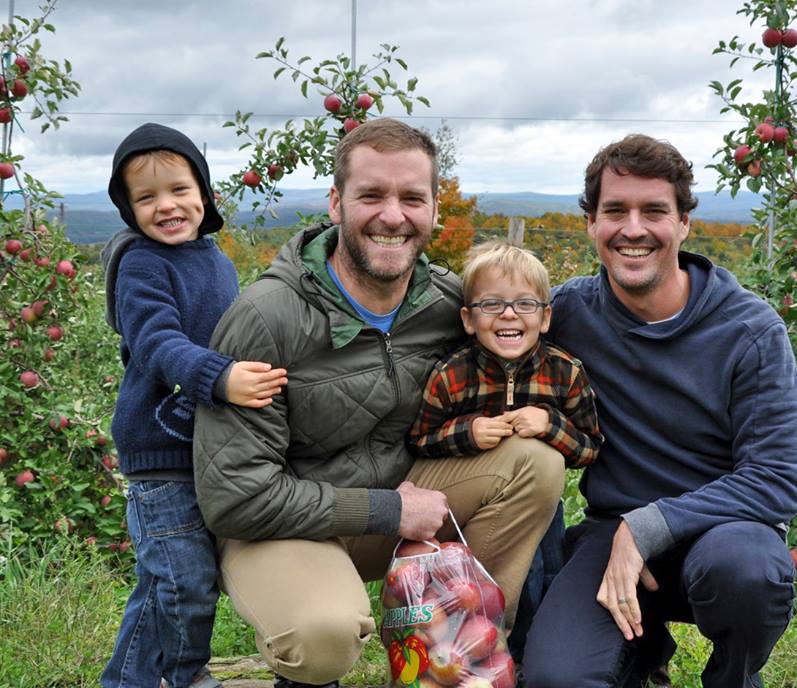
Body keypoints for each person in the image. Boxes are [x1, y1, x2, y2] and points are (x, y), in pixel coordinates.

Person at [192, 118, 566, 688]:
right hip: (284, 528)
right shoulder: (267, 319)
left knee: (534, 463)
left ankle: (457, 658)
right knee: (323, 634)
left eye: (412, 198)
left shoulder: (448, 306)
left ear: (434, 210)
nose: (393, 216)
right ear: (336, 203)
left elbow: (528, 342)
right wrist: (388, 510)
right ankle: (308, 665)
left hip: (405, 507)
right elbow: (236, 497)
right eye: (371, 195)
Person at [522, 134, 797, 688]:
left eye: (654, 211)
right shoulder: (568, 313)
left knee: (748, 572)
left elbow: (776, 479)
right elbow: (486, 324)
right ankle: (643, 648)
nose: (633, 229)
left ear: (683, 223)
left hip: (725, 535)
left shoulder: (749, 330)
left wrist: (648, 526)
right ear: (591, 223)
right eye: (615, 211)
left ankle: (732, 679)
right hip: (612, 537)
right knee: (557, 678)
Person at [100, 123, 288, 688]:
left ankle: (128, 680)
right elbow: (155, 343)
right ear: (129, 209)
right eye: (146, 197)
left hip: (208, 450)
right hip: (161, 454)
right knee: (186, 583)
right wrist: (219, 377)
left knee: (164, 583)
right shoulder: (141, 265)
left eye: (179, 189)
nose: (166, 206)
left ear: (204, 193)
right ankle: (186, 676)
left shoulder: (215, 260)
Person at [407, 240, 604, 664]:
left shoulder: (564, 373)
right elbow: (419, 440)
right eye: (491, 304)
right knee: (492, 576)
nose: (509, 314)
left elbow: (590, 448)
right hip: (475, 499)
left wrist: (550, 425)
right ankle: (489, 653)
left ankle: (539, 655)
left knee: (545, 573)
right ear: (468, 319)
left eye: (525, 304)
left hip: (541, 501)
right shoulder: (452, 375)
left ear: (545, 317)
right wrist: (467, 432)